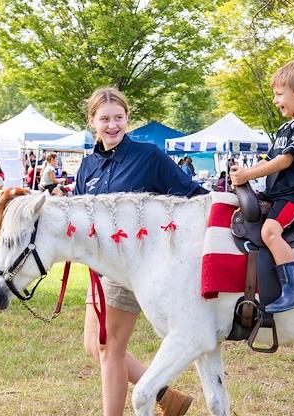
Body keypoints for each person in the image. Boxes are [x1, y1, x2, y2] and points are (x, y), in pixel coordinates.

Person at [75, 87, 206, 416]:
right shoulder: (87, 167)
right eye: (104, 119)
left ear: (127, 118)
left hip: (133, 269)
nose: (112, 125)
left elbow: (190, 193)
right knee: (95, 346)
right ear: (92, 121)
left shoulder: (149, 157)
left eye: (118, 118)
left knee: (109, 349)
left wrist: (226, 208)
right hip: (99, 268)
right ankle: (166, 396)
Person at [229, 60, 294, 313]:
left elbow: (285, 159)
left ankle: (293, 290)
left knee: (270, 232)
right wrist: (246, 172)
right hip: (277, 193)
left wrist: (248, 174)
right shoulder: (285, 127)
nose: (274, 100)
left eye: (279, 94)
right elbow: (269, 158)